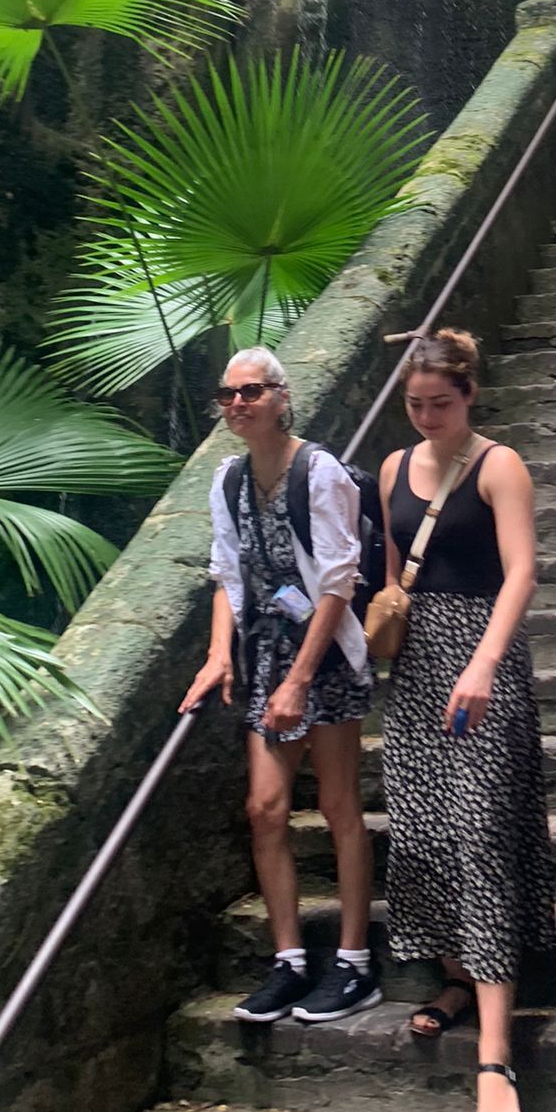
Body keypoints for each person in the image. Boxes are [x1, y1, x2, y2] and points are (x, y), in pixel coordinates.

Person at [379, 330, 556, 1112]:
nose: (427, 419)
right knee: (421, 834)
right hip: (417, 669)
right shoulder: (389, 468)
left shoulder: (500, 466)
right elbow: (393, 576)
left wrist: (484, 662)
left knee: (483, 835)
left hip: (482, 659)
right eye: (415, 406)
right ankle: (456, 976)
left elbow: (520, 570)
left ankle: (495, 1057)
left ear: (469, 394)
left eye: (440, 405)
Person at [181, 347, 378, 1026]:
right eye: (228, 394)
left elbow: (336, 582)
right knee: (265, 808)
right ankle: (289, 958)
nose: (238, 404)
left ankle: (354, 960)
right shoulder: (229, 479)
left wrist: (300, 680)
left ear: (282, 398)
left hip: (321, 656)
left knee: (339, 803)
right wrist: (218, 655)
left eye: (252, 392)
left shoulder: (318, 473)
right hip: (267, 651)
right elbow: (227, 574)